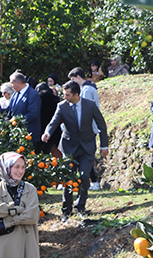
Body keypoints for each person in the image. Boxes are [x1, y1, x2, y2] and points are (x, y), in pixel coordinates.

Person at [42, 81, 109, 221]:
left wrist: (104, 146)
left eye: (67, 94)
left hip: (87, 147)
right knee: (68, 178)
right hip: (69, 148)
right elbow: (53, 122)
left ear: (76, 94)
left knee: (85, 176)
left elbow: (102, 124)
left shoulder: (90, 105)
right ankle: (66, 210)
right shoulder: (62, 106)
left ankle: (80, 207)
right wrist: (47, 132)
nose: (64, 96)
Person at [70, 67, 103, 190]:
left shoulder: (87, 90)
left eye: (73, 79)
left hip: (88, 128)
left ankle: (93, 181)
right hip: (87, 127)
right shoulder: (88, 88)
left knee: (87, 156)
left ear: (78, 77)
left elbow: (86, 110)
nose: (73, 82)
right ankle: (90, 181)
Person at [5, 71, 41, 138]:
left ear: (19, 83)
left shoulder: (33, 94)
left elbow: (33, 114)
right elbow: (9, 110)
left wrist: (17, 119)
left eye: (12, 83)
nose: (11, 85)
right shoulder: (15, 93)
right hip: (16, 134)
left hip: (28, 135)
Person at [35, 82, 61, 156]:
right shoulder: (56, 100)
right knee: (47, 153)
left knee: (38, 154)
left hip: (40, 132)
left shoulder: (37, 99)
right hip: (54, 132)